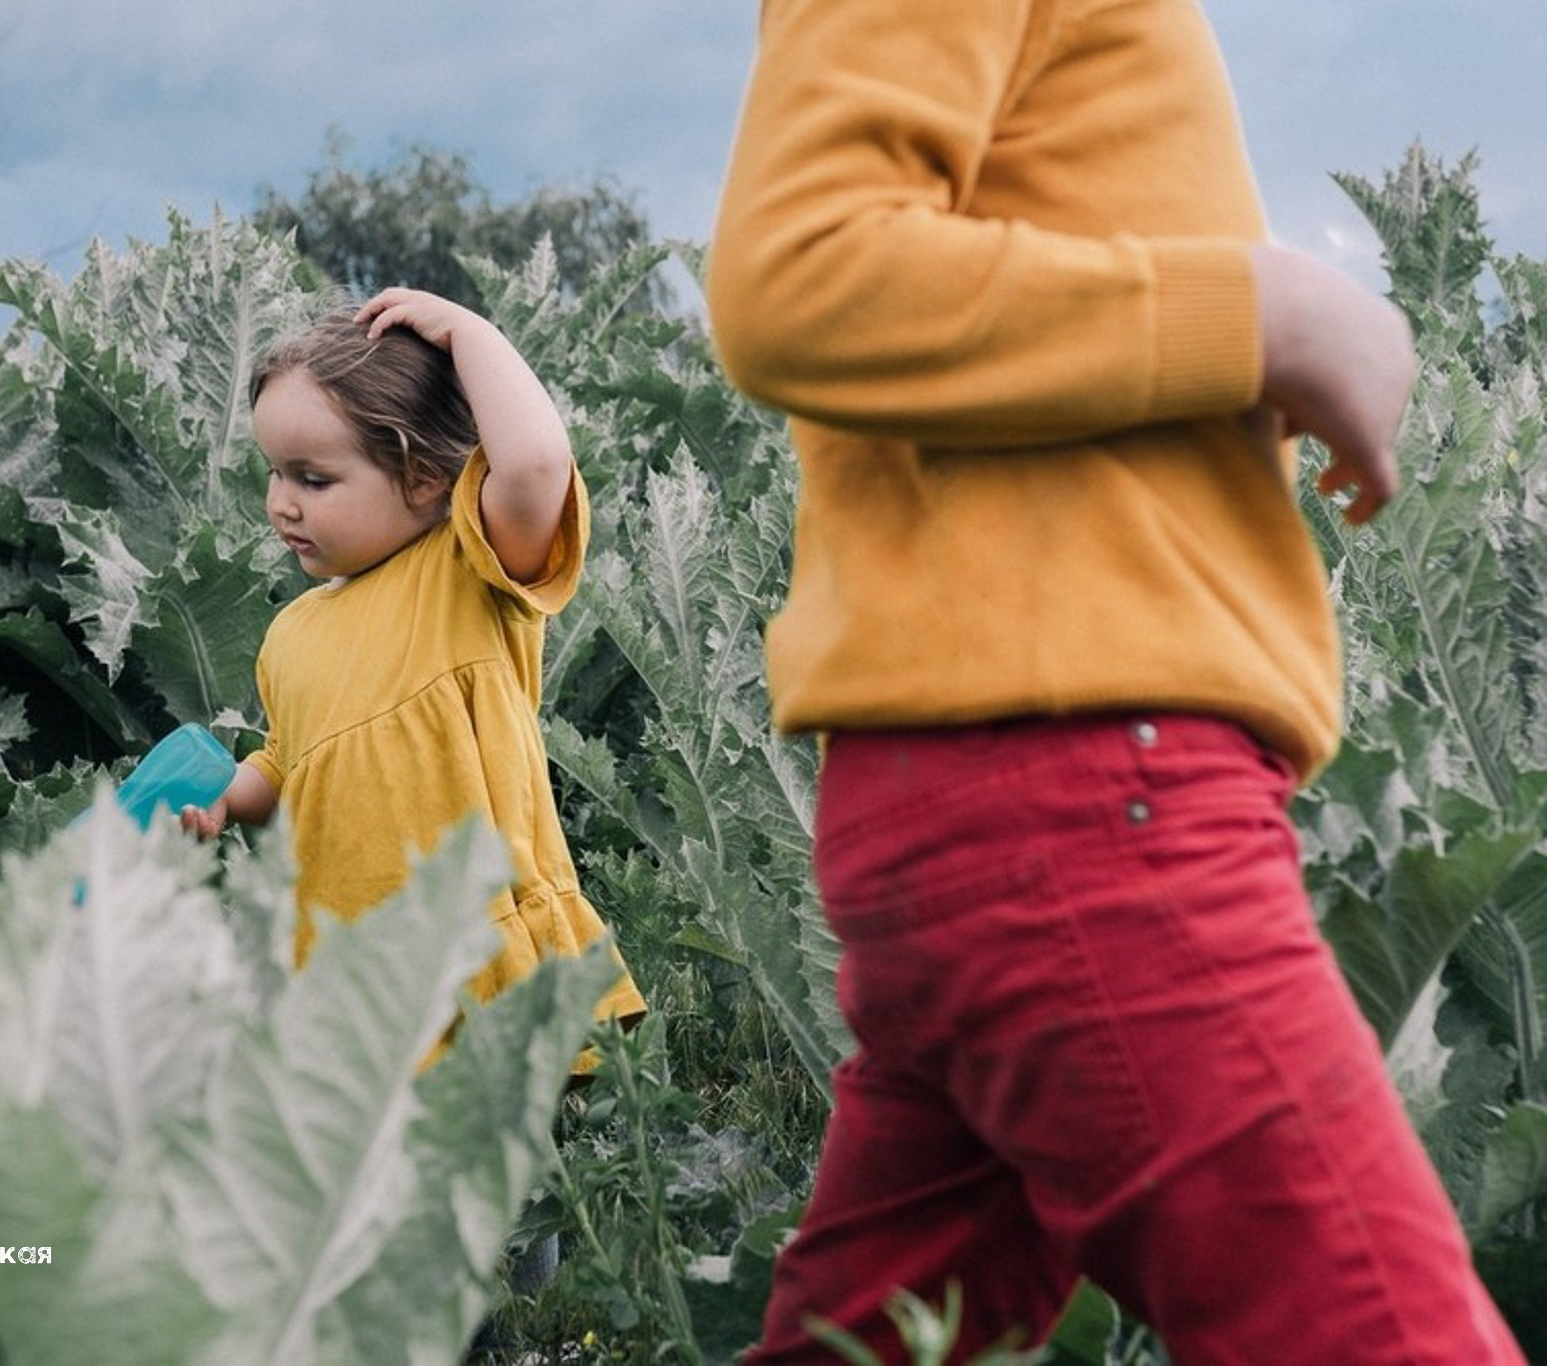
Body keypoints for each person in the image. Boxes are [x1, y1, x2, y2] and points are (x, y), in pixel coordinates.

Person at [705, 2, 1523, 1362]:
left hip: (1002, 785)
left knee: (887, 1339)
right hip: (1083, 787)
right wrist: (1265, 311)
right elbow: (801, 273)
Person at [179, 286, 645, 1051]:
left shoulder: (469, 570)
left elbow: (533, 465)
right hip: (348, 956)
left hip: (469, 940)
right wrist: (231, 796)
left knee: (489, 1152)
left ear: (425, 476)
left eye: (313, 478)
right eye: (275, 473)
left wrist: (468, 333)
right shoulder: (291, 633)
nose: (281, 504)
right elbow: (291, 766)